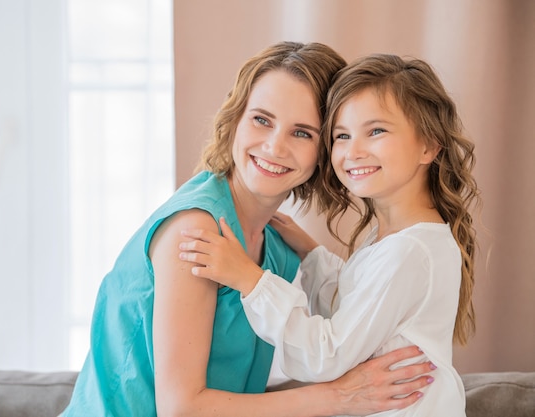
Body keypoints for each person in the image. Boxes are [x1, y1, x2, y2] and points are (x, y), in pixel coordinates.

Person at [61, 44, 435, 417]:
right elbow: (181, 409)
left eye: (302, 133)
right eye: (261, 119)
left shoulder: (278, 249)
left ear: (326, 149)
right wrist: (337, 397)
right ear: (236, 118)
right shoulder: (195, 232)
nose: (274, 146)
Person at [179, 53, 480, 415]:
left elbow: (328, 354)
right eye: (341, 135)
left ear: (429, 145)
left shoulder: (410, 252)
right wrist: (312, 253)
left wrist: (249, 280)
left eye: (376, 131)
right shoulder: (396, 240)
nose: (353, 151)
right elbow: (350, 306)